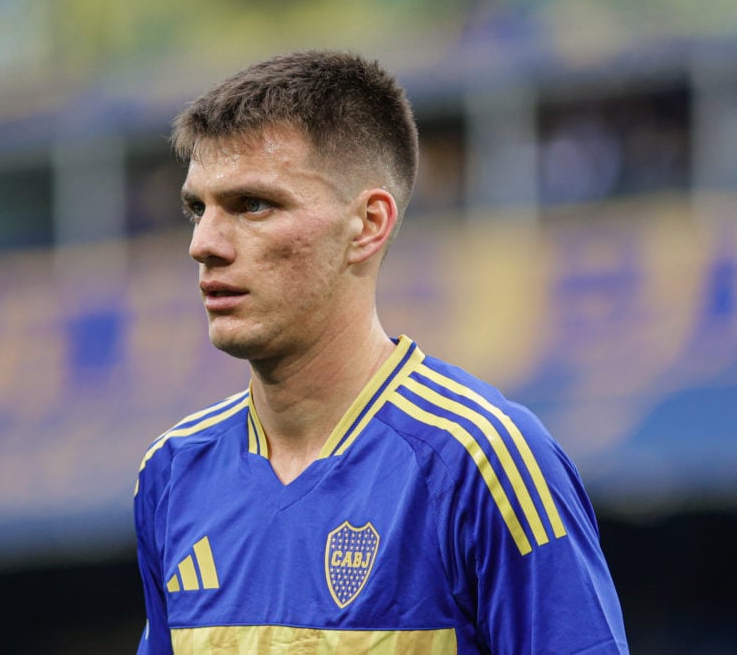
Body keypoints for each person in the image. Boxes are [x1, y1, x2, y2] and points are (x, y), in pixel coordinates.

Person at [133, 50, 628, 654]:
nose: (204, 244)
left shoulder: (483, 461)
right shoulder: (173, 473)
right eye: (197, 208)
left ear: (367, 225)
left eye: (252, 205)